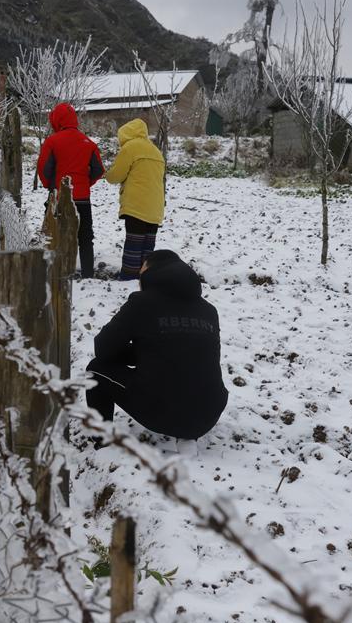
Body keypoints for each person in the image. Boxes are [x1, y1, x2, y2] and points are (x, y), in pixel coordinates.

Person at [84, 250, 228, 441]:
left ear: (152, 273)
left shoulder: (141, 303)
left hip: (163, 415)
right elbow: (181, 351)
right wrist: (144, 350)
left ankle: (101, 440)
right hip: (209, 414)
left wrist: (132, 353)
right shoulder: (208, 310)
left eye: (141, 274)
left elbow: (102, 349)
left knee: (96, 369)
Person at [37, 103, 104, 279]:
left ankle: (58, 272)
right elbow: (99, 170)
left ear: (56, 120)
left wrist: (51, 187)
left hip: (60, 198)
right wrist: (84, 184)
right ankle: (88, 274)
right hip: (83, 198)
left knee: (57, 236)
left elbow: (44, 169)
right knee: (85, 237)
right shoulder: (88, 143)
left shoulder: (52, 141)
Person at [104, 118, 166, 281]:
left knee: (134, 243)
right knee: (148, 247)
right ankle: (146, 277)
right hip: (155, 208)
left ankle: (129, 278)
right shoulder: (156, 151)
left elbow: (116, 175)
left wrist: (106, 173)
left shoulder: (130, 148)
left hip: (137, 206)